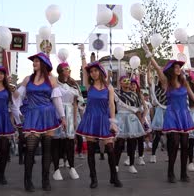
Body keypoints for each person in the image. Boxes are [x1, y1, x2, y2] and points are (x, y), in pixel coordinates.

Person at [144, 44, 194, 183]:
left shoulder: (184, 82)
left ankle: (183, 173)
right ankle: (170, 172)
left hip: (184, 114)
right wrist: (150, 55)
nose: (179, 69)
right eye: (176, 67)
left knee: (185, 144)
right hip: (172, 114)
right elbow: (158, 70)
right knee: (174, 144)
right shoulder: (166, 82)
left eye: (180, 67)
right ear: (171, 70)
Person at [18, 52, 66, 192]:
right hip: (33, 116)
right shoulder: (27, 79)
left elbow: (57, 99)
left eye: (37, 61)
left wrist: (62, 117)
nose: (34, 63)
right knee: (31, 149)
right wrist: (17, 112)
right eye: (34, 61)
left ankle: (45, 180)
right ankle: (28, 180)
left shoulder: (51, 80)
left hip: (48, 116)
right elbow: (18, 97)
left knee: (47, 150)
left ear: (44, 64)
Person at [76, 44, 122, 189]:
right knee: (90, 150)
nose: (93, 73)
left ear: (101, 72)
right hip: (90, 118)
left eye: (96, 70)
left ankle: (114, 177)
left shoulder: (109, 87)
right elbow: (84, 70)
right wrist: (83, 54)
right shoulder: (88, 86)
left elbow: (112, 105)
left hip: (103, 118)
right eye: (91, 71)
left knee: (110, 149)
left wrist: (113, 122)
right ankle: (93, 178)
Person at [52, 62, 81, 181]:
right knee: (57, 142)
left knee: (69, 141)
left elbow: (75, 104)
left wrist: (74, 120)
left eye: (69, 69)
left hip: (69, 114)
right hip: (57, 114)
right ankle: (56, 169)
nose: (68, 71)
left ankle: (72, 167)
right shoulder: (54, 84)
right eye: (65, 69)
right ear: (60, 71)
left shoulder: (73, 86)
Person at [115, 75, 145, 174]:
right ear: (120, 83)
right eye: (124, 80)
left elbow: (138, 110)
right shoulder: (116, 93)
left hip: (132, 118)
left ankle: (131, 165)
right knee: (119, 143)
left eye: (128, 80)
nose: (127, 82)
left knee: (132, 143)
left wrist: (141, 121)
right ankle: (115, 165)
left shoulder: (135, 95)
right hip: (121, 118)